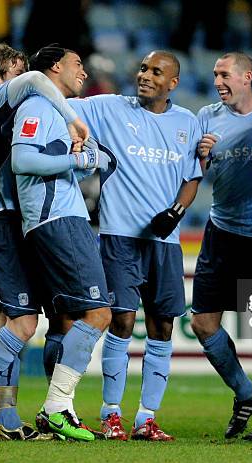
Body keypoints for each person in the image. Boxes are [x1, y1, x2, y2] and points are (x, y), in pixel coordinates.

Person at [0, 43, 89, 441]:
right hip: (3, 224)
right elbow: (33, 80)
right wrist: (74, 119)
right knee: (23, 323)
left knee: (12, 325)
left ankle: (8, 418)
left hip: (20, 223)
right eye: (17, 69)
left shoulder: (8, 113)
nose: (30, 78)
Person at [67, 50, 202, 441]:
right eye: (143, 68)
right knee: (122, 322)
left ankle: (146, 418)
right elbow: (61, 103)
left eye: (156, 72)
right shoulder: (109, 108)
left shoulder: (187, 123)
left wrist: (176, 211)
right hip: (119, 237)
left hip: (165, 240)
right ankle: (111, 414)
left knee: (162, 327)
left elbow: (192, 178)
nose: (145, 75)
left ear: (172, 83)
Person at [10, 44, 112, 442]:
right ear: (56, 67)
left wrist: (82, 158)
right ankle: (55, 407)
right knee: (98, 314)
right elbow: (23, 160)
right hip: (58, 222)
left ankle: (61, 410)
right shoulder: (37, 107)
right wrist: (78, 162)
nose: (83, 73)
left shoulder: (55, 111)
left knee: (67, 319)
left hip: (58, 218)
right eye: (77, 65)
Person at [188, 51, 252, 441]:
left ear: (248, 76)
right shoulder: (206, 117)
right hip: (221, 231)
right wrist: (202, 158)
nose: (217, 82)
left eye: (225, 75)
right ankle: (246, 393)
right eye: (214, 75)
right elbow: (203, 176)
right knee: (202, 322)